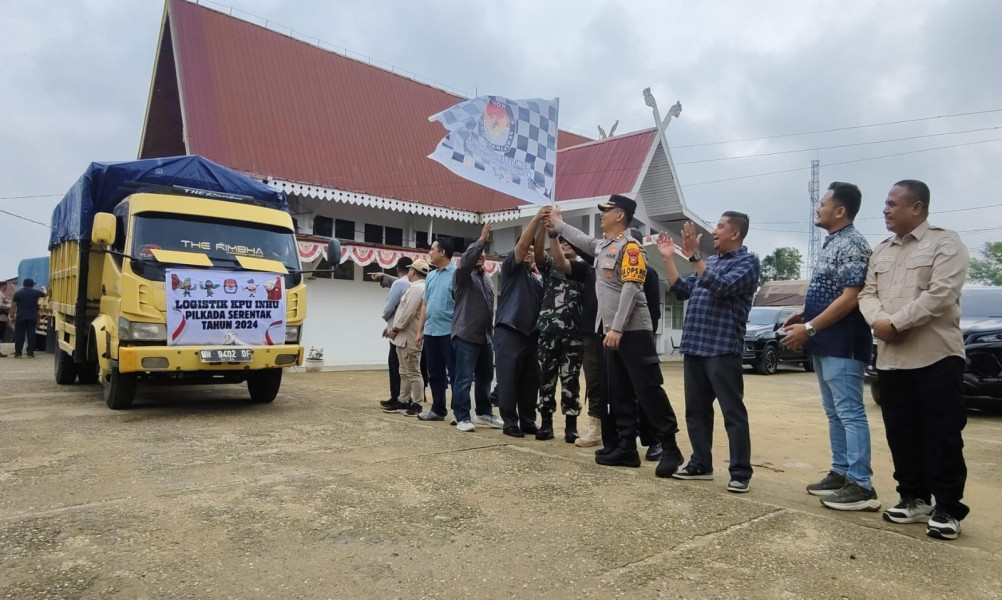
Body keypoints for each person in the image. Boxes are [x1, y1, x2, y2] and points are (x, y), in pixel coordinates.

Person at [858, 180, 970, 540]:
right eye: (886, 204)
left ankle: (948, 507)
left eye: (892, 203)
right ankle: (913, 497)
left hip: (935, 355)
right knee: (901, 432)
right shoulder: (882, 250)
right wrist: (879, 321)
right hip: (892, 359)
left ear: (917, 207)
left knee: (942, 434)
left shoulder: (945, 242)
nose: (886, 210)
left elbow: (942, 293)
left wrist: (897, 322)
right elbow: (867, 293)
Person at [549, 196, 684, 478]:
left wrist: (618, 328)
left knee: (648, 389)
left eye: (606, 211)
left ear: (620, 215)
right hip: (611, 332)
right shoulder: (603, 247)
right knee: (618, 391)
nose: (602, 215)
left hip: (631, 331)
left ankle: (670, 447)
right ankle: (625, 447)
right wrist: (559, 224)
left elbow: (632, 289)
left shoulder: (631, 248)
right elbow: (582, 239)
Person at [781, 182, 879, 511]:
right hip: (825, 340)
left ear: (840, 211)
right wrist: (805, 313)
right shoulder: (832, 243)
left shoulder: (852, 244)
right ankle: (840, 473)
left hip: (844, 342)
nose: (817, 208)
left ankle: (861, 484)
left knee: (850, 413)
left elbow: (851, 297)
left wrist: (808, 327)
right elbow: (832, 290)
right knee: (834, 412)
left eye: (823, 204)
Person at [657, 213, 760, 493]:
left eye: (720, 227)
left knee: (732, 412)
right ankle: (700, 464)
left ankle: (740, 472)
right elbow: (681, 290)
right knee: (696, 412)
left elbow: (722, 287)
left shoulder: (748, 263)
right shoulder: (710, 262)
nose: (714, 231)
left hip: (722, 348)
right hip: (695, 347)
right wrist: (668, 257)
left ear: (735, 234)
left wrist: (694, 258)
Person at [494, 207, 546, 438]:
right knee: (509, 379)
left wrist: (545, 227)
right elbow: (522, 246)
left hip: (531, 334)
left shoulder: (537, 278)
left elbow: (539, 250)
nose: (528, 253)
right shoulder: (510, 270)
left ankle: (527, 420)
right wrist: (535, 220)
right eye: (525, 249)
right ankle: (510, 422)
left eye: (532, 251)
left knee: (530, 381)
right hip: (510, 330)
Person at [535, 229, 588, 442]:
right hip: (548, 331)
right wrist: (543, 231)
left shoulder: (585, 270)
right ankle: (546, 423)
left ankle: (571, 426)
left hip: (574, 334)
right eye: (562, 243)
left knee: (571, 380)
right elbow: (539, 253)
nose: (565, 245)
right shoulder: (552, 266)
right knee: (546, 378)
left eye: (570, 243)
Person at [451, 222, 504, 432]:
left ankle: (483, 413)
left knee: (485, 378)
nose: (481, 256)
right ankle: (462, 416)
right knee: (464, 378)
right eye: (478, 254)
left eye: (484, 254)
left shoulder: (487, 280)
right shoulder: (462, 276)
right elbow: (467, 261)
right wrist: (481, 240)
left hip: (484, 337)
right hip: (465, 335)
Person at [418, 239, 457, 421]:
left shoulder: (457, 274)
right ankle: (438, 409)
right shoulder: (431, 276)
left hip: (449, 331)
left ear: (442, 252)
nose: (430, 252)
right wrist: (419, 332)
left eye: (432, 249)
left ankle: (460, 412)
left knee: (455, 373)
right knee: (434, 373)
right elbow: (424, 305)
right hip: (431, 331)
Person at [386, 260, 430, 414]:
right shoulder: (417, 288)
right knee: (404, 372)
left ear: (413, 271)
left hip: (409, 336)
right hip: (404, 337)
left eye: (410, 270)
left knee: (413, 372)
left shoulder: (418, 289)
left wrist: (395, 329)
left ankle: (417, 404)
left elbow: (408, 313)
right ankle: (403, 400)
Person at [374, 257, 413, 412]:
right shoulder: (416, 283)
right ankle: (404, 397)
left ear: (398, 268)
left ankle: (397, 397)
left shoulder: (400, 283)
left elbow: (390, 306)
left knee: (395, 364)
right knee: (407, 366)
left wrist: (386, 320)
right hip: (411, 330)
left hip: (396, 330)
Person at [11, 279, 46, 359]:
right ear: (32, 285)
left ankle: (18, 353)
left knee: (19, 335)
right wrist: (43, 288)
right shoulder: (36, 292)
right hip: (32, 317)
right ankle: (30, 353)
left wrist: (12, 316)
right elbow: (45, 294)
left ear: (24, 284)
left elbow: (14, 306)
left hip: (20, 317)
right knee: (31, 335)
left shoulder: (18, 293)